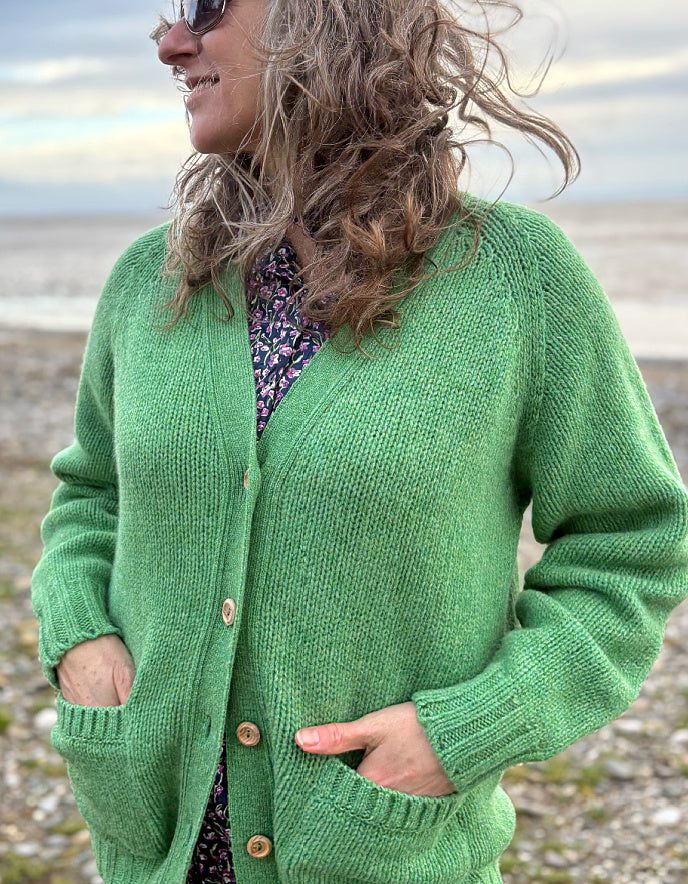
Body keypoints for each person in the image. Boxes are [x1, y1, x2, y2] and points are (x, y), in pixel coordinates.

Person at [30, 0, 688, 882]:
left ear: (326, 19)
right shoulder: (150, 284)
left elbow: (635, 542)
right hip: (152, 850)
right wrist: (78, 636)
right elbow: (94, 494)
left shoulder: (515, 283)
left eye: (206, 6)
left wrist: (468, 730)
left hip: (381, 848)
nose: (171, 40)